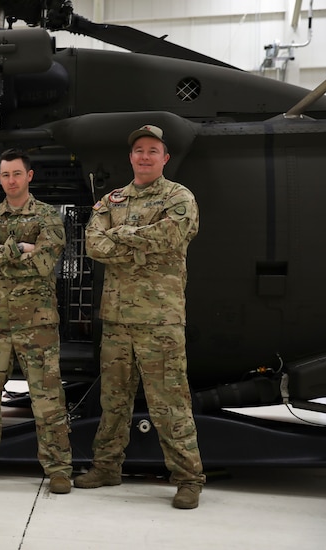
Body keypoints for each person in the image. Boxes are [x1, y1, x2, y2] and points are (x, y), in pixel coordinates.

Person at [78, 124, 205, 509]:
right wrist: (137, 240)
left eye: (153, 150)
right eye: (139, 150)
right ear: (130, 157)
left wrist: (121, 238)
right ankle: (106, 466)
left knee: (169, 401)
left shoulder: (178, 197)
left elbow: (172, 236)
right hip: (117, 318)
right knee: (113, 399)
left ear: (164, 158)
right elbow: (93, 243)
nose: (145, 156)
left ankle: (187, 478)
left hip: (159, 319)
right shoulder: (112, 200)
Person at [0, 148, 73, 494]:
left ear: (29, 176)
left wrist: (1, 248)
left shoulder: (48, 216)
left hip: (37, 322)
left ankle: (58, 469)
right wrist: (21, 246)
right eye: (5, 175)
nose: (10, 181)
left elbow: (44, 260)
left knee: (47, 397)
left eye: (16, 174)